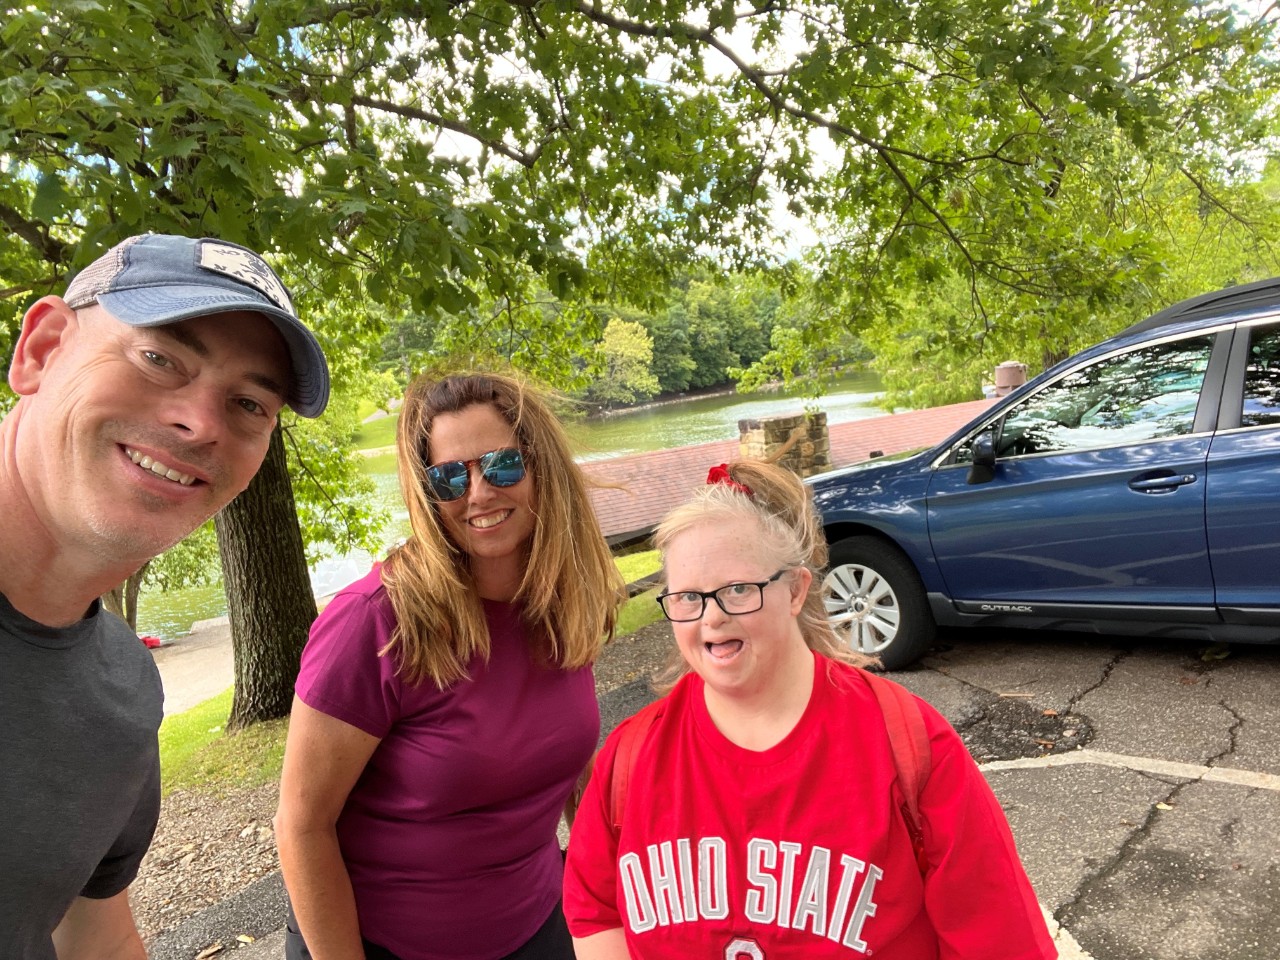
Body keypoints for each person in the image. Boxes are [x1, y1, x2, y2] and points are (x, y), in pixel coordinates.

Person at [563, 460, 1056, 959]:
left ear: (796, 590)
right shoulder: (630, 758)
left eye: (738, 589)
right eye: (688, 597)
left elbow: (999, 939)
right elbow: (597, 912)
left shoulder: (908, 743)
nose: (711, 617)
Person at [0, 233, 331, 959]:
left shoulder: (122, 690)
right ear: (42, 350)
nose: (201, 424)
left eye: (248, 403)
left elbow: (95, 938)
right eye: (159, 359)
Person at [275, 371, 626, 960]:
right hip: (382, 946)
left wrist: (615, 894)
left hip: (539, 925)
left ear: (542, 469)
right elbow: (302, 825)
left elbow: (567, 767)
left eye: (503, 465)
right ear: (427, 493)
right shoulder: (374, 621)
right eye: (449, 477)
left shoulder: (560, 601)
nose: (479, 493)